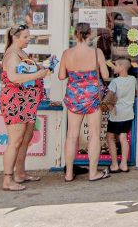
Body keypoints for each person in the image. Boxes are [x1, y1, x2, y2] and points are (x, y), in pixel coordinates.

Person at [0, 24, 52, 191]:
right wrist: (38, 74)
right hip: (16, 102)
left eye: (29, 36)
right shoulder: (12, 55)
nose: (29, 39)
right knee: (15, 142)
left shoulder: (22, 53)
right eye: (25, 37)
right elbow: (14, 77)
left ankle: (20, 173)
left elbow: (31, 68)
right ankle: (7, 180)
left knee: (25, 139)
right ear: (15, 37)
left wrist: (45, 66)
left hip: (27, 102)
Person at [59, 22, 110, 182]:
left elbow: (61, 76)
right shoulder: (97, 52)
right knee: (94, 135)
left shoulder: (67, 53)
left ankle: (68, 174)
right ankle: (93, 173)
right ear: (89, 35)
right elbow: (106, 75)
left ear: (75, 35)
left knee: (71, 135)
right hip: (93, 96)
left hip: (74, 96)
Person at [104, 58, 136, 174]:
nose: (113, 67)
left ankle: (114, 164)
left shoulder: (115, 82)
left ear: (122, 67)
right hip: (128, 114)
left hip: (116, 115)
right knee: (123, 137)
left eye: (116, 65)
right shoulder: (133, 80)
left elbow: (109, 98)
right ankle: (124, 164)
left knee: (110, 137)